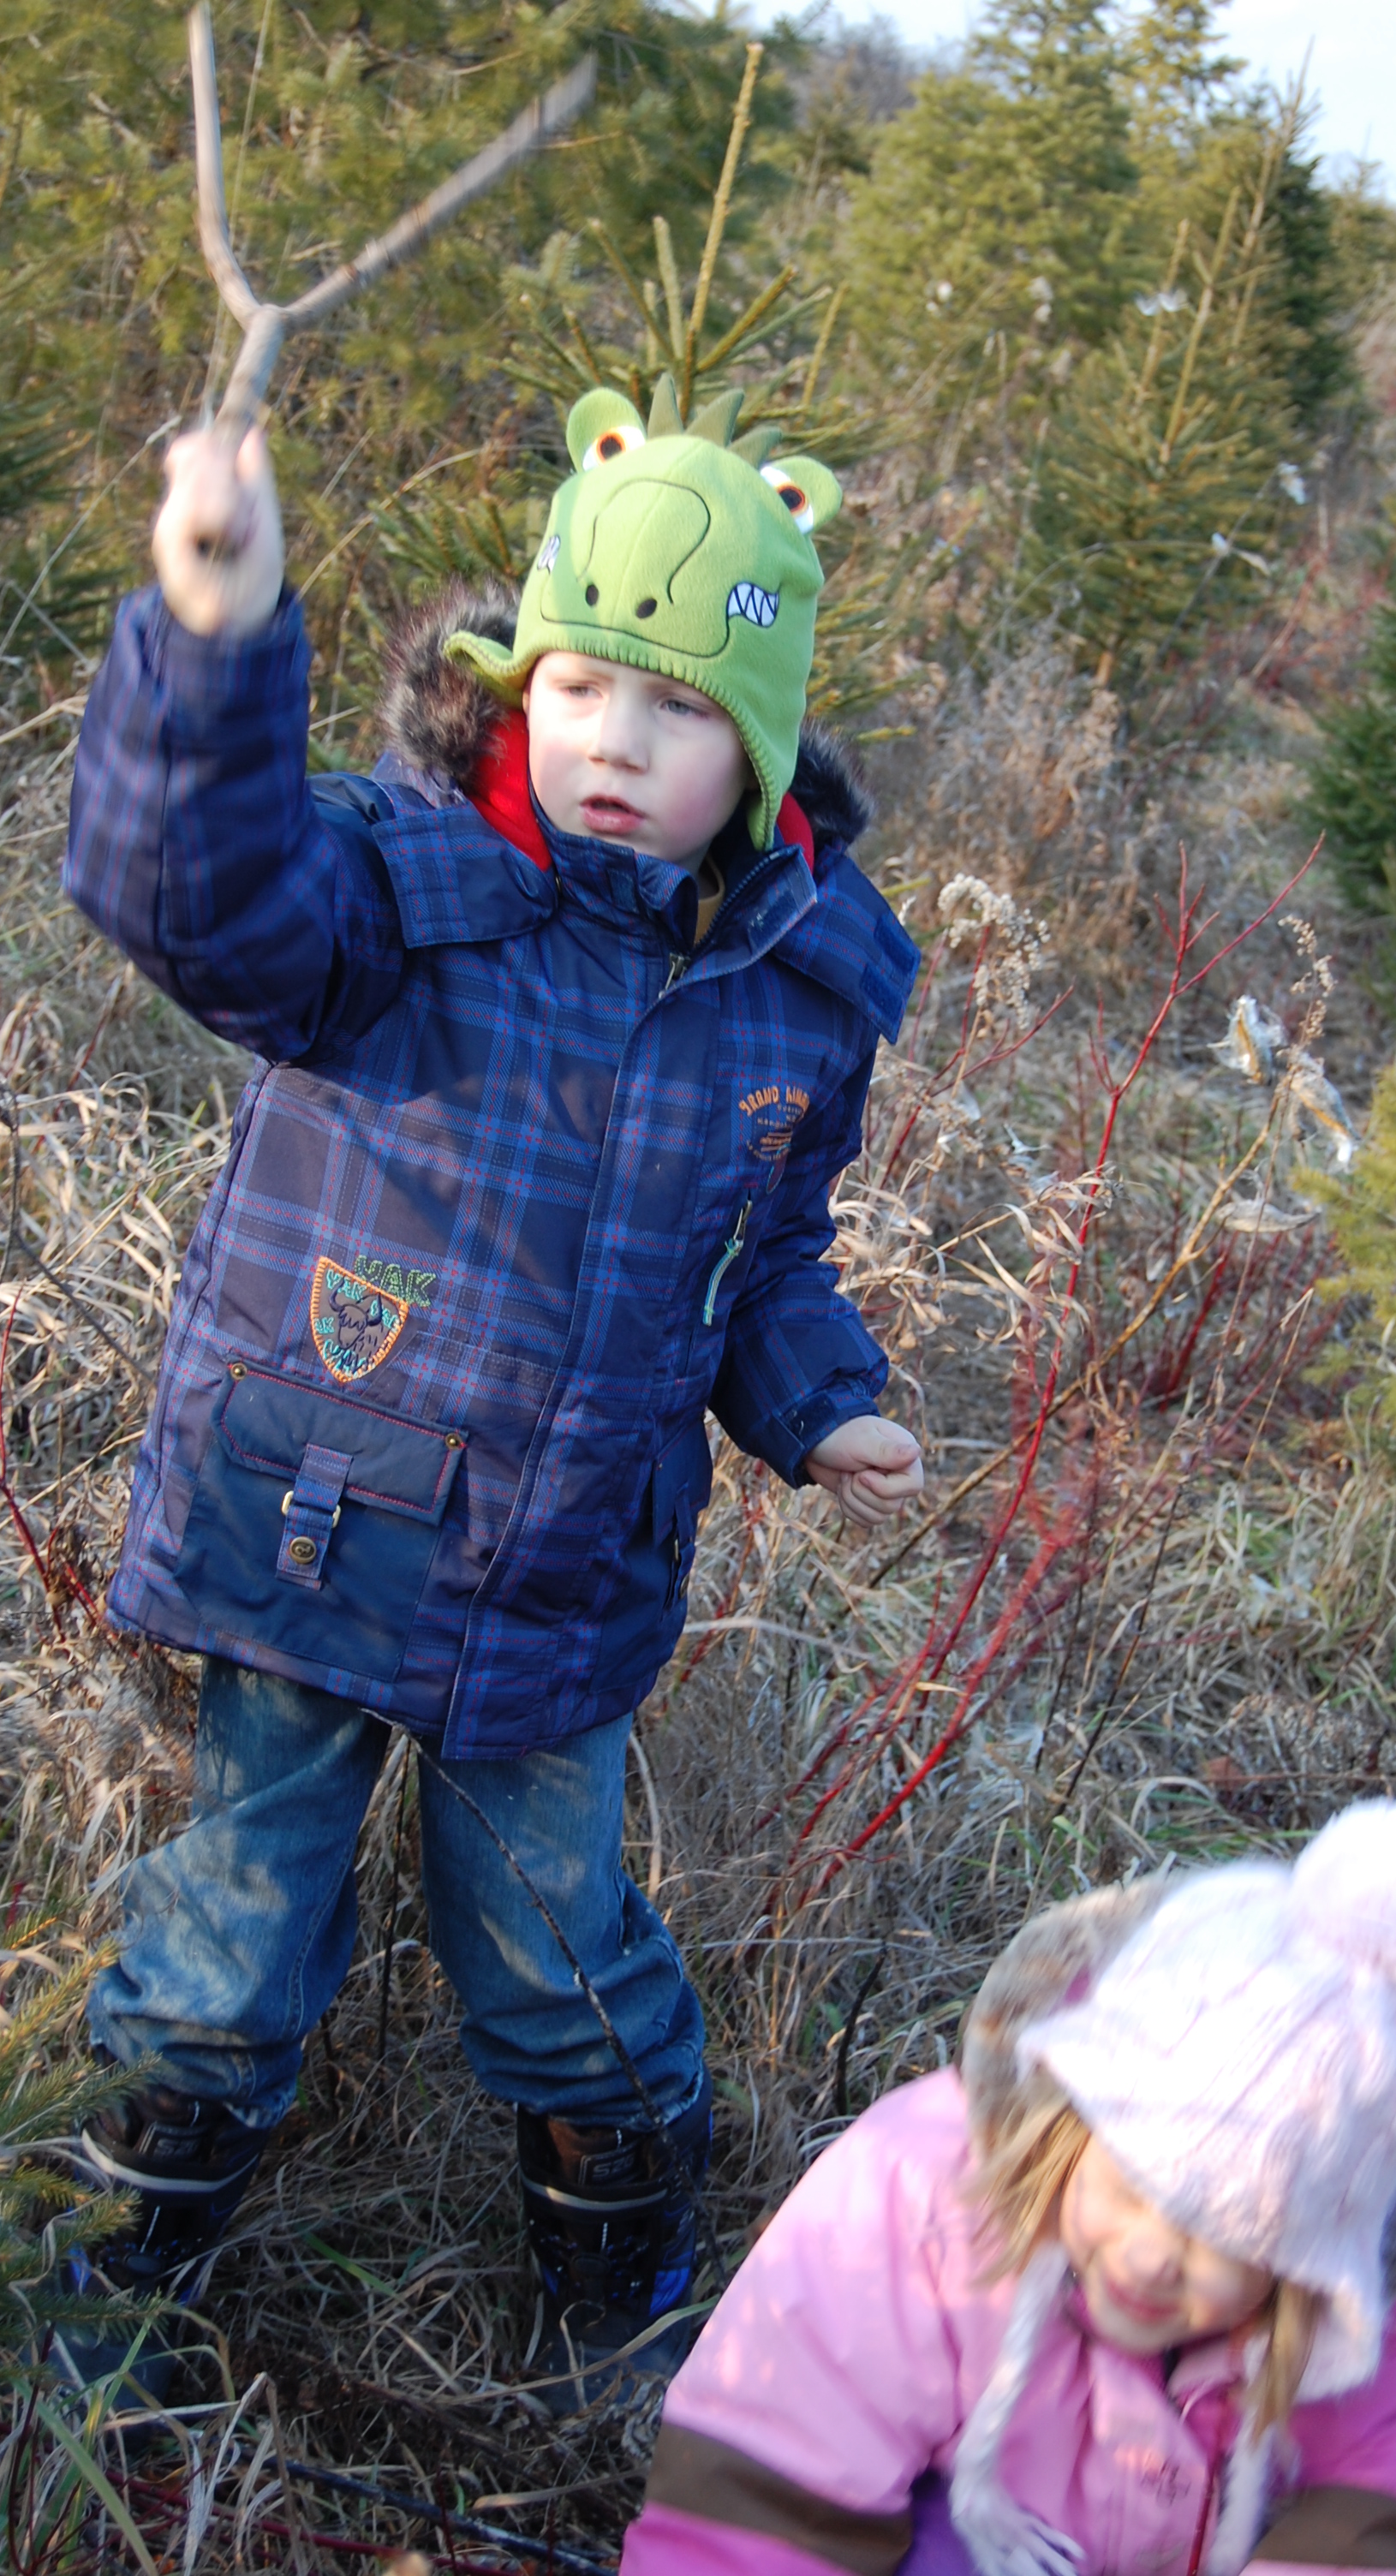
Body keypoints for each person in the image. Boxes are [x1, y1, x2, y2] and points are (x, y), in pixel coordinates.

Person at [59, 377, 922, 2404]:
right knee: (224, 1942)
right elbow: (193, 891)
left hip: (561, 1579)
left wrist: (816, 1395)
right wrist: (211, 639)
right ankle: (109, 2292)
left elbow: (762, 1255)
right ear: (519, 679)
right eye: (580, 683)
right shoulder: (396, 889)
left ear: (761, 748)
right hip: (313, 1521)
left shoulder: (796, 993)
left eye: (680, 707)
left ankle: (622, 2315)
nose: (615, 738)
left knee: (560, 1962)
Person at [620, 1798, 1396, 2576]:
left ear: (1313, 2262)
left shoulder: (1349, 2311)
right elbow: (761, 2502)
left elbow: (1371, 2511)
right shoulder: (914, 2199)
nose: (1149, 2257)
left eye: (1219, 2239)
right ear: (1071, 2118)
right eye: (1131, 2184)